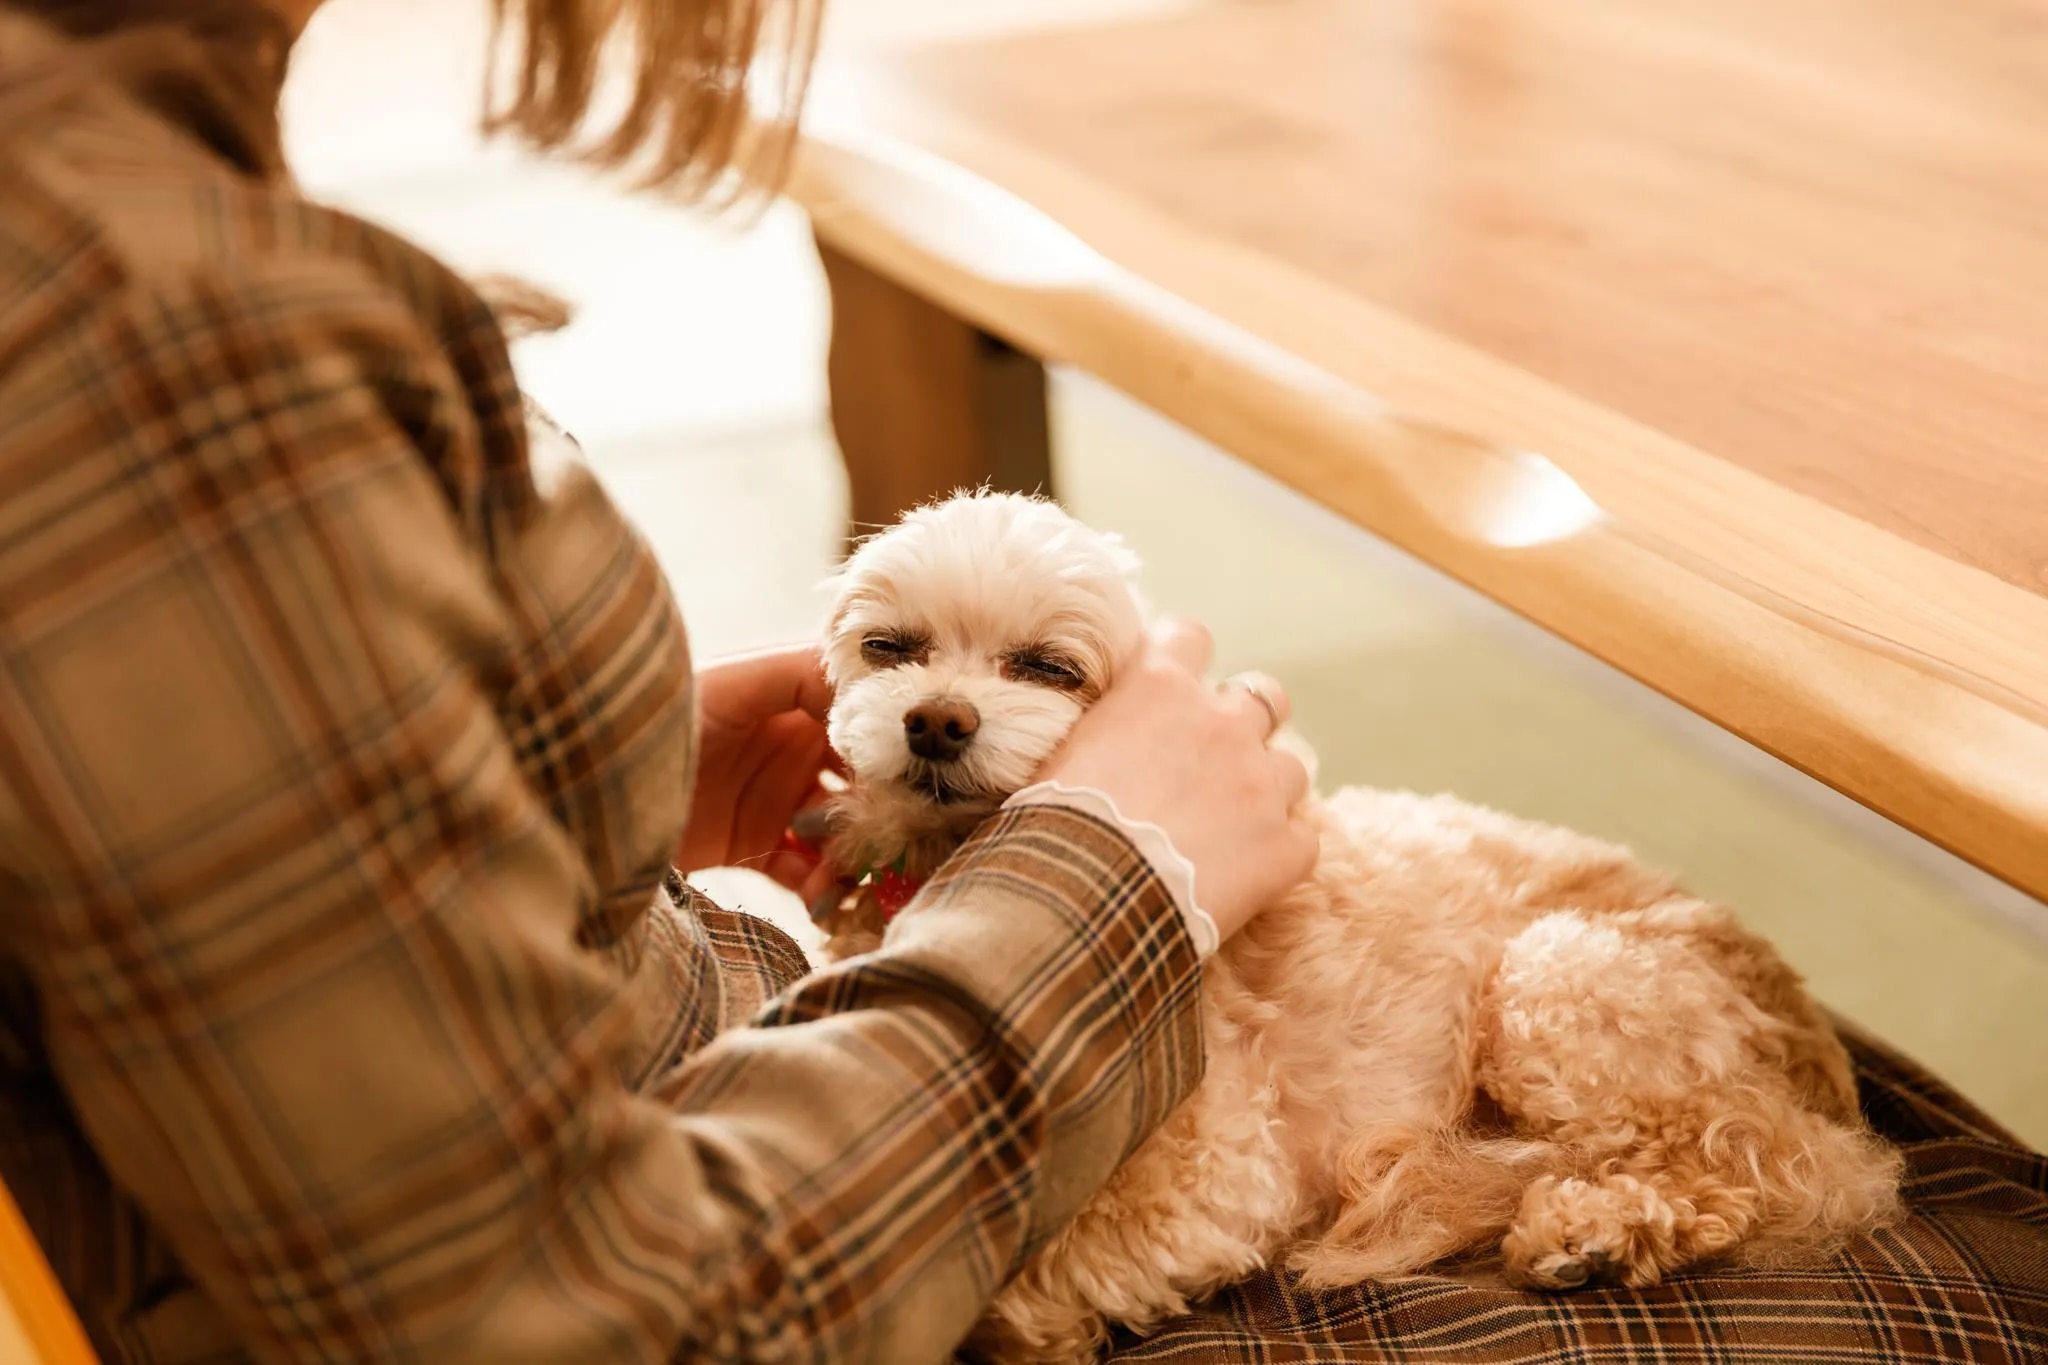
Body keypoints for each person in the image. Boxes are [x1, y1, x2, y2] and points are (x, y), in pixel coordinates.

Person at [0, 0, 1318, 1360]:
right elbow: (600, 1324)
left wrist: (537, 792)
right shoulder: (141, 340)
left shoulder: (128, 168)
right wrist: (1108, 886)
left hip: (750, 1104)